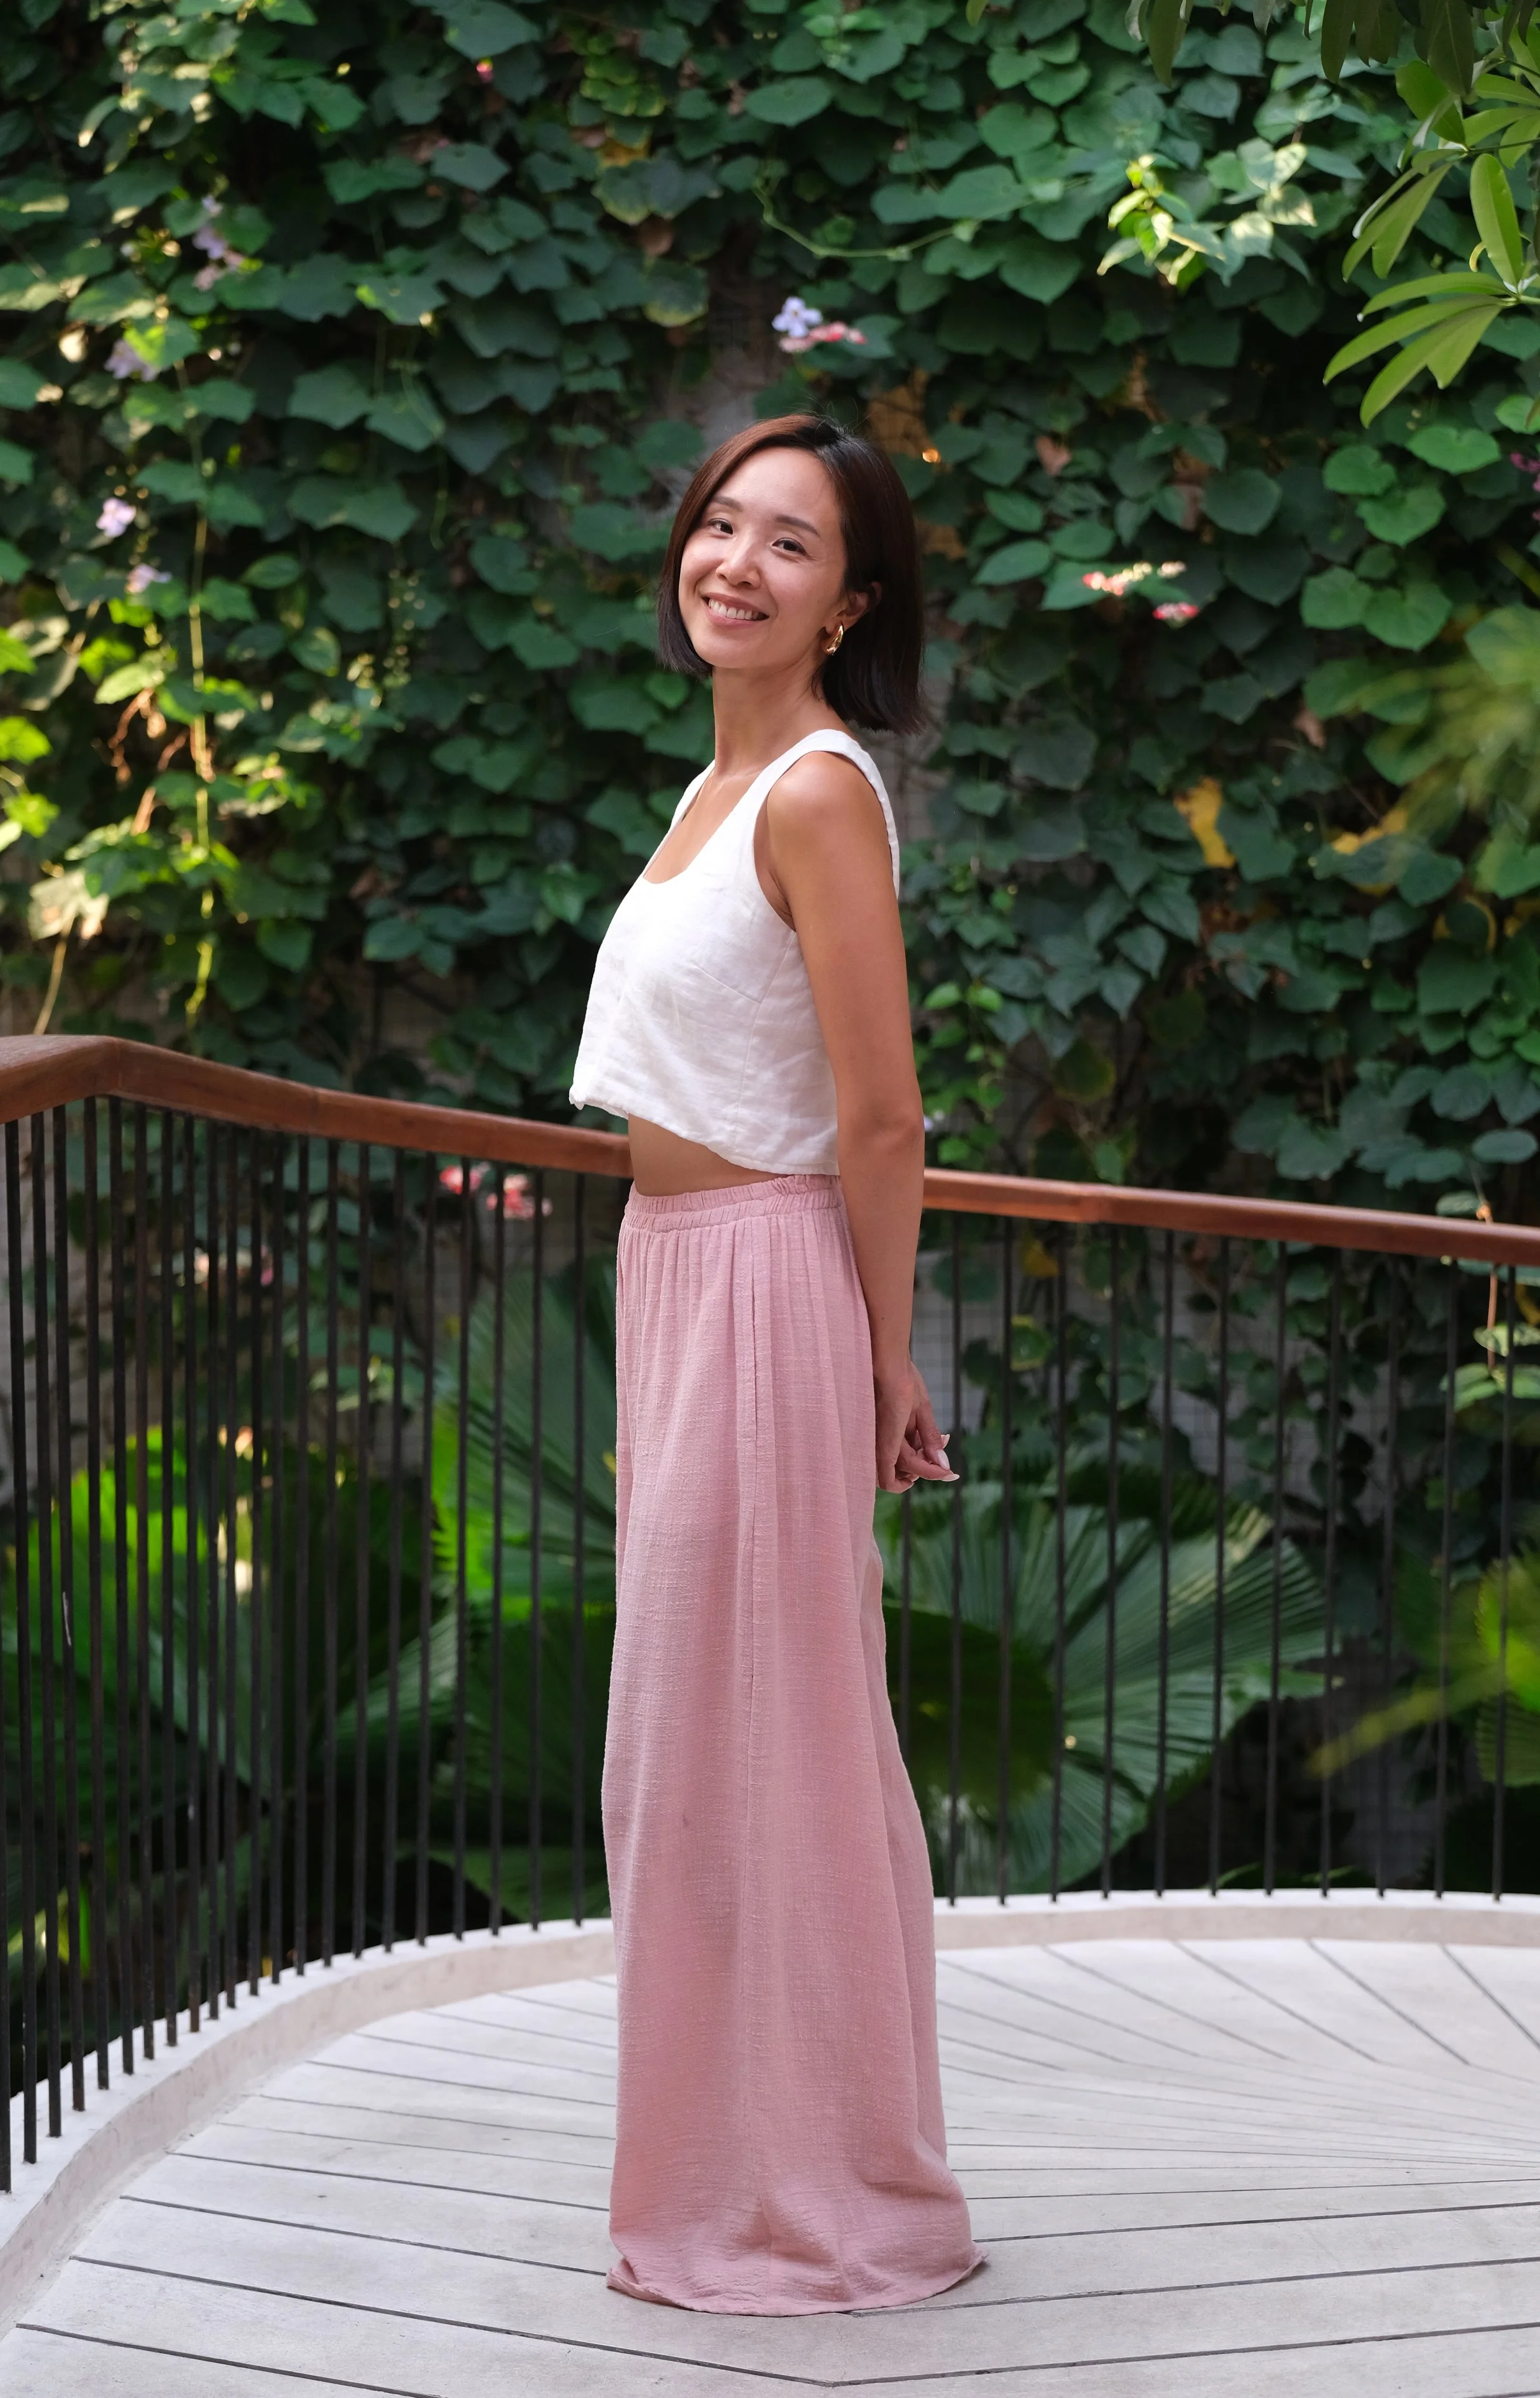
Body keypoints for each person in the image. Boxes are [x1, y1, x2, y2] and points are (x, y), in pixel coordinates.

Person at [569, 412, 984, 2316]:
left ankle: (822, 2199)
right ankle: (727, 2173)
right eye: (720, 524)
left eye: (791, 543)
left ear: (851, 604)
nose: (735, 562)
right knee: (691, 1751)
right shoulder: (712, 787)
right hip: (682, 1285)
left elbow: (881, 1114)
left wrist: (880, 1352)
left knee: (770, 1749)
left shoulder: (816, 793)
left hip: (764, 1286)